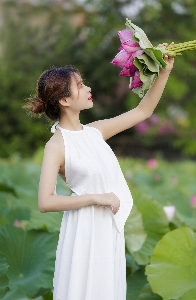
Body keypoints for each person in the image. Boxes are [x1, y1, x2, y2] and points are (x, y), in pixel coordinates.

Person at [29, 52, 174, 300]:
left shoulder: (95, 131)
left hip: (108, 226)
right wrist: (97, 197)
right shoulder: (56, 146)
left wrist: (164, 71)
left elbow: (143, 112)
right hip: (84, 228)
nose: (88, 88)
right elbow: (46, 201)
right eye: (80, 85)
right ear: (65, 100)